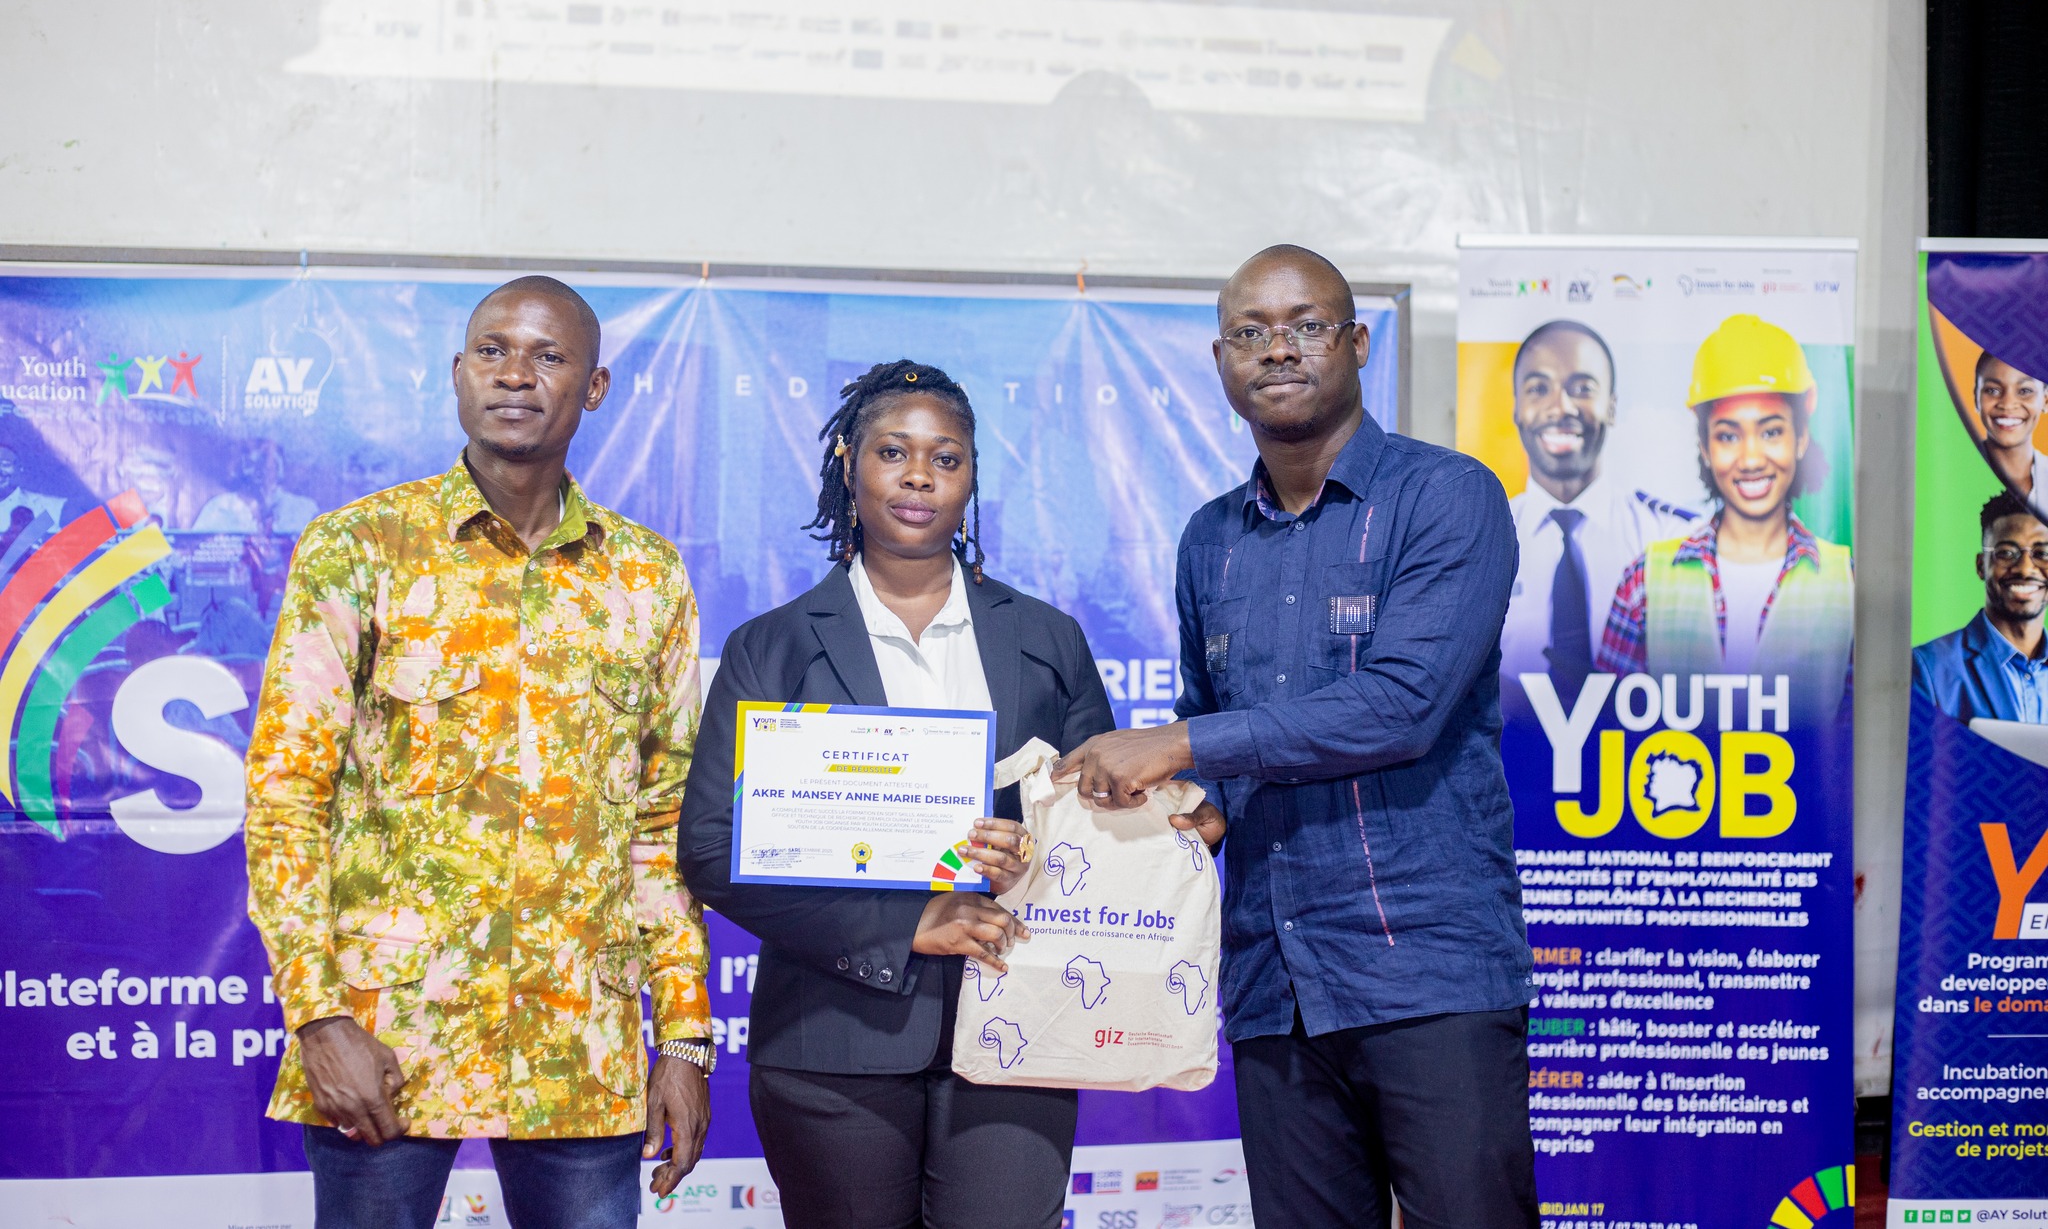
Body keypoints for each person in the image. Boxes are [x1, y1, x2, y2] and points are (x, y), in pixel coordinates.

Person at [1055, 245, 1538, 1229]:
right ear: (1220, 360)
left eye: (1305, 326)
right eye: (1250, 332)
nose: (1277, 350)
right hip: (1273, 984)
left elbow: (1401, 706)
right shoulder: (1210, 539)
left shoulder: (1446, 496)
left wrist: (1180, 744)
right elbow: (1220, 735)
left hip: (1423, 967)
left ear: (1355, 342)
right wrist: (1189, 811)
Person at [677, 360, 1217, 1229]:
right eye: (893, 451)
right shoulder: (771, 648)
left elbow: (1094, 819)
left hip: (1021, 1018)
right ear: (850, 464)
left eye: (947, 457)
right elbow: (711, 848)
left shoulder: (1048, 639)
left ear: (970, 479)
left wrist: (1122, 834)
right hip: (831, 1040)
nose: (920, 476)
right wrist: (903, 926)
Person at [243, 276, 714, 1229]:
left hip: (577, 1041)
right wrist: (319, 1017)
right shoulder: (360, 547)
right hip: (386, 1035)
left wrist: (685, 1036)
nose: (515, 375)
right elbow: (286, 797)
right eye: (493, 351)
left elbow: (661, 823)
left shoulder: (646, 576)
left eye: (549, 356)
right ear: (458, 372)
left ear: (594, 387)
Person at [1597, 313, 1853, 726]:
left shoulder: (1849, 585)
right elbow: (1607, 737)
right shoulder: (1642, 583)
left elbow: (1859, 741)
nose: (1751, 459)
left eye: (1771, 432)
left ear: (1801, 437)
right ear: (1704, 446)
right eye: (1728, 436)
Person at [1497, 320, 1694, 712]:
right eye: (1539, 389)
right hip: (1512, 749)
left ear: (1612, 407)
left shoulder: (1668, 538)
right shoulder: (1484, 540)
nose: (1561, 407)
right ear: (1517, 408)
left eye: (1582, 388)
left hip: (1638, 747)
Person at [1912, 490, 2048, 723]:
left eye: (2042, 553)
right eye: (2006, 553)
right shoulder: (1929, 668)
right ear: (1981, 565)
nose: (2025, 569)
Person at [1973, 352, 2048, 521]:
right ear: (1976, 398)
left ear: (2045, 400)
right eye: (1993, 390)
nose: (2007, 404)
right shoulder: (1949, 475)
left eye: (2024, 391)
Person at [194, 437, 320, 535]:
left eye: (266, 459)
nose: (261, 470)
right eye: (253, 462)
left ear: (279, 467)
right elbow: (195, 549)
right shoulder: (219, 508)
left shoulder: (304, 509)